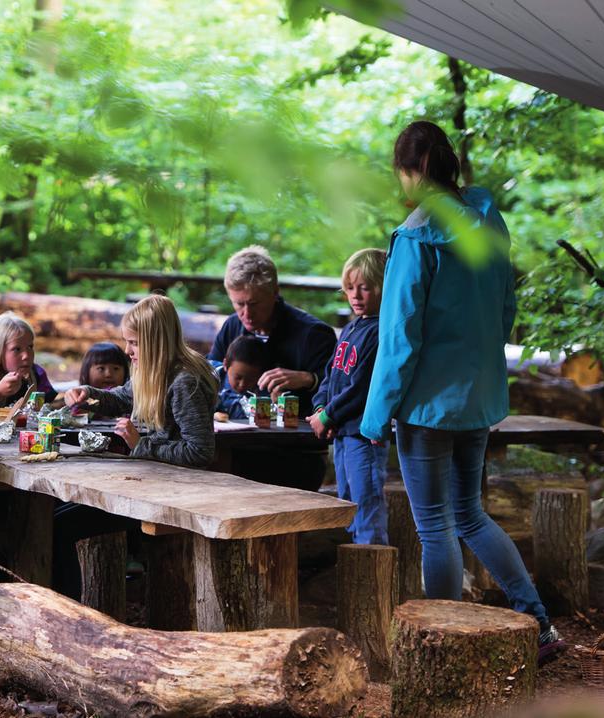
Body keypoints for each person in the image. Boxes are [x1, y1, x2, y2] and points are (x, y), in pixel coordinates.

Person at [359, 120, 565, 662]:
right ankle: (540, 626)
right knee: (469, 514)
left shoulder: (415, 235)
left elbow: (400, 336)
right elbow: (505, 310)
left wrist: (376, 417)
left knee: (435, 528)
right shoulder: (488, 220)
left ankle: (442, 647)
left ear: (417, 170)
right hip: (477, 398)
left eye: (400, 171)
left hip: (427, 407)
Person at [54, 294, 219, 599]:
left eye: (134, 343)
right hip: (150, 482)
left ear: (156, 342)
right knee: (55, 511)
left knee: (62, 527)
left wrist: (143, 445)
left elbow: (200, 451)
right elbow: (122, 398)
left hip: (174, 494)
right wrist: (87, 392)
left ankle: (69, 614)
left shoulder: (184, 383)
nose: (127, 351)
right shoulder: (152, 370)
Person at [208, 246, 337, 489]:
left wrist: (309, 379)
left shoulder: (314, 335)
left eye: (254, 304)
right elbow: (209, 374)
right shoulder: (231, 328)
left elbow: (340, 388)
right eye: (238, 304)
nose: (246, 314)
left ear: (275, 292)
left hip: (295, 455)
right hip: (236, 450)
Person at [309, 248, 388, 545]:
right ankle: (354, 563)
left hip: (363, 435)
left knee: (365, 503)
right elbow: (331, 374)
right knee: (346, 503)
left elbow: (362, 386)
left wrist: (328, 415)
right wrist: (320, 408)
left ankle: (372, 563)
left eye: (365, 288)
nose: (356, 295)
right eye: (350, 288)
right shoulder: (351, 328)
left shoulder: (380, 332)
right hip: (342, 432)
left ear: (383, 287)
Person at [211, 335, 270, 421]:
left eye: (250, 379)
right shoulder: (208, 377)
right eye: (238, 377)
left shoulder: (264, 393)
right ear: (225, 365)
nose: (243, 384)